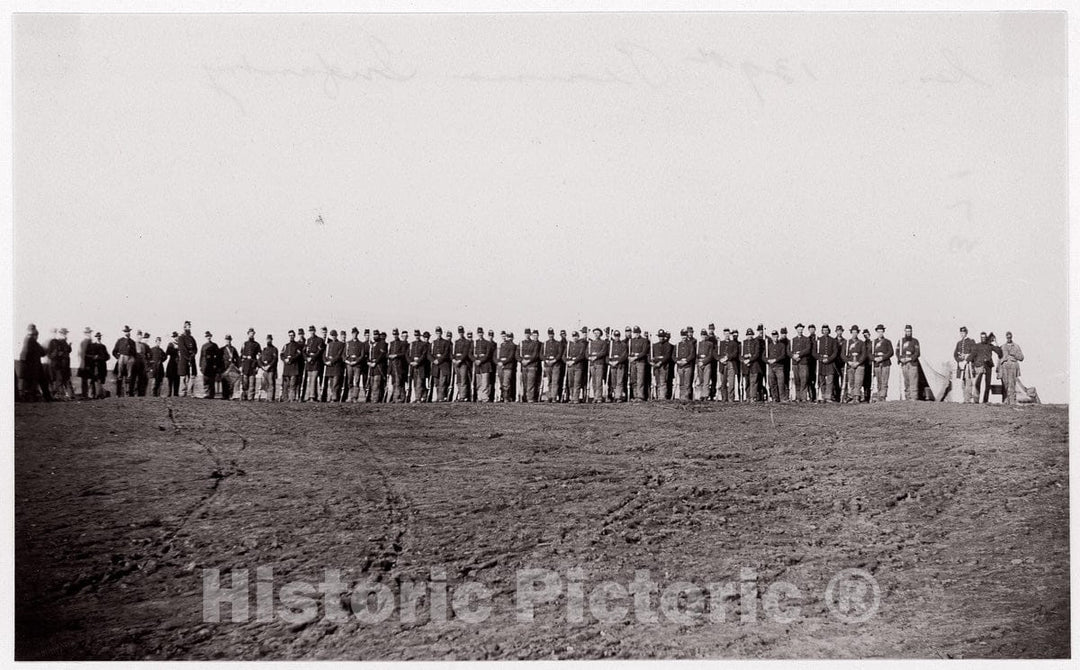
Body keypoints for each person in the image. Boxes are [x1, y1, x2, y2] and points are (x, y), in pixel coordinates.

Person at [19, 324, 49, 402]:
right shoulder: (31, 341)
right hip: (33, 365)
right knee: (37, 382)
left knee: (33, 382)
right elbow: (42, 353)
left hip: (32, 365)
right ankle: (44, 397)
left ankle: (31, 397)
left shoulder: (28, 340)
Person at [47, 327, 75, 400]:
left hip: (63, 365)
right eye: (64, 333)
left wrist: (69, 346)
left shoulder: (62, 341)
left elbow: (67, 350)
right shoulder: (58, 342)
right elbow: (53, 354)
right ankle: (64, 395)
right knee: (61, 380)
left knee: (63, 380)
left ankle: (67, 395)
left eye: (65, 333)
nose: (65, 334)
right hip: (61, 365)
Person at [814, 324, 839, 403]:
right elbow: (814, 352)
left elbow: (835, 352)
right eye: (824, 330)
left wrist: (829, 359)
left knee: (830, 380)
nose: (825, 332)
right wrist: (821, 359)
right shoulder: (818, 340)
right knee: (821, 380)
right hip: (821, 363)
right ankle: (823, 396)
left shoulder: (833, 340)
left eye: (826, 330)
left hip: (830, 362)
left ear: (829, 331)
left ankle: (828, 397)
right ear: (822, 331)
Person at [844, 325, 869, 403]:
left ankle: (857, 397)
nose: (854, 334)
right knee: (851, 381)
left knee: (858, 381)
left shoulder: (861, 343)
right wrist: (848, 362)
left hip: (859, 365)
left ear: (858, 333)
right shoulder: (847, 343)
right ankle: (851, 397)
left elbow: (864, 354)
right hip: (850, 364)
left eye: (856, 332)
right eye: (853, 332)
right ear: (851, 333)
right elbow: (842, 354)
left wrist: (858, 362)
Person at [999, 331, 1025, 405]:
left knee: (1012, 383)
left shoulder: (1016, 346)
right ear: (1006, 337)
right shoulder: (1002, 346)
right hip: (1004, 366)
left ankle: (1012, 401)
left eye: (1010, 337)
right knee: (1005, 383)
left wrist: (1015, 354)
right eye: (1007, 337)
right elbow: (999, 359)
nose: (1009, 338)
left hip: (1013, 366)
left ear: (1012, 337)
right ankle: (1006, 400)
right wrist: (998, 371)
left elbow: (1021, 358)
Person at [971, 331, 997, 404]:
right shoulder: (977, 346)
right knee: (977, 383)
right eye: (981, 337)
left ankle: (985, 400)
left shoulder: (990, 345)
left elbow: (999, 352)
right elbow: (973, 356)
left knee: (987, 384)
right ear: (980, 338)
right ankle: (976, 400)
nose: (983, 339)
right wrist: (973, 366)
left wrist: (995, 343)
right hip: (980, 365)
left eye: (984, 337)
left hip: (988, 365)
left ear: (986, 338)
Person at [953, 326, 977, 403]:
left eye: (963, 332)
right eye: (961, 332)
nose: (962, 334)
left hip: (968, 364)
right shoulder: (959, 343)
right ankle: (964, 398)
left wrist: (966, 360)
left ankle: (967, 399)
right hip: (961, 365)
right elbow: (955, 355)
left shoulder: (971, 341)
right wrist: (959, 361)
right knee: (962, 382)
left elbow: (973, 352)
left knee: (968, 381)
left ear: (966, 333)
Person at [897, 325, 921, 401]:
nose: (908, 333)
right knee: (906, 381)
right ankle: (907, 397)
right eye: (907, 331)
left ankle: (913, 397)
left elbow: (917, 353)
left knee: (913, 380)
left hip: (912, 363)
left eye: (909, 331)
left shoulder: (915, 341)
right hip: (904, 364)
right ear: (905, 331)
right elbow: (897, 352)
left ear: (911, 332)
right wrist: (900, 359)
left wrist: (910, 358)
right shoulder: (901, 341)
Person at [870, 324, 894, 402]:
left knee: (884, 380)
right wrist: (874, 358)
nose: (880, 333)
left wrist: (882, 358)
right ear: (876, 332)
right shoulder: (873, 342)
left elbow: (891, 352)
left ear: (883, 332)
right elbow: (869, 353)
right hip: (877, 363)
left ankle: (883, 396)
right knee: (879, 380)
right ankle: (879, 395)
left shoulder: (887, 341)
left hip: (885, 363)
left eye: (881, 331)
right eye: (878, 331)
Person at [112, 326, 137, 398]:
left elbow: (134, 353)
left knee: (129, 376)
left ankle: (127, 393)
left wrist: (132, 359)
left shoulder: (132, 342)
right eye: (126, 332)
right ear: (124, 332)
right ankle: (118, 393)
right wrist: (119, 357)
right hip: (122, 358)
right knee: (119, 376)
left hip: (130, 359)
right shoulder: (120, 341)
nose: (127, 333)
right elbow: (114, 351)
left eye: (128, 331)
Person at [541, 328, 565, 402]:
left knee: (555, 380)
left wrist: (554, 360)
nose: (550, 336)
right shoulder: (545, 344)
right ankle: (550, 396)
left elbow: (560, 353)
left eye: (552, 334)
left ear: (553, 334)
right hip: (547, 365)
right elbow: (541, 354)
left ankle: (554, 396)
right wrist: (546, 360)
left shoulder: (558, 343)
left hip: (556, 365)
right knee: (549, 381)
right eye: (549, 334)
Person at [789, 324, 812, 402]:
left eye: (801, 329)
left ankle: (803, 397)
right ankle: (798, 397)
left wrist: (799, 355)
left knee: (804, 379)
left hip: (803, 362)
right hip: (795, 363)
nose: (800, 331)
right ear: (796, 330)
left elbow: (808, 349)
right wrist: (793, 356)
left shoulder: (806, 339)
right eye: (798, 329)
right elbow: (788, 351)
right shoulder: (793, 340)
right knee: (797, 380)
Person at [648, 330, 673, 400]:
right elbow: (650, 355)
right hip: (655, 366)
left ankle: (662, 397)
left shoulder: (668, 345)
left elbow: (667, 356)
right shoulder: (654, 345)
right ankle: (658, 396)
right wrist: (651, 362)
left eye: (662, 336)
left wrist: (660, 362)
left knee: (663, 381)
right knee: (657, 381)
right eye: (660, 336)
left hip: (663, 366)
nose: (661, 338)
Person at [472, 328, 496, 403]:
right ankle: (479, 397)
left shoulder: (487, 343)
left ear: (483, 333)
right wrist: (475, 360)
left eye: (481, 333)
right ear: (477, 334)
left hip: (485, 365)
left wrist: (481, 360)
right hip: (477, 365)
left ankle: (485, 397)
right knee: (479, 382)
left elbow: (488, 354)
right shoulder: (475, 343)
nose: (480, 334)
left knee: (485, 382)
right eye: (479, 333)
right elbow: (470, 353)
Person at [345, 328, 368, 403]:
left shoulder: (361, 344)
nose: (354, 335)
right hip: (349, 364)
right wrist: (347, 361)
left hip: (357, 365)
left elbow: (362, 355)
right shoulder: (348, 343)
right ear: (352, 334)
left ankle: (355, 397)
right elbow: (344, 354)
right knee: (349, 381)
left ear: (358, 334)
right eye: (353, 333)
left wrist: (356, 361)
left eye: (356, 333)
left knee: (357, 381)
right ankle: (351, 396)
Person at [429, 327, 453, 402]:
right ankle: (439, 397)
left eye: (439, 333)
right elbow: (429, 354)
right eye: (437, 333)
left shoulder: (446, 342)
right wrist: (433, 360)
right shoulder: (433, 343)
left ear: (441, 333)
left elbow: (446, 353)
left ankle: (441, 397)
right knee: (436, 382)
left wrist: (439, 360)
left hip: (443, 364)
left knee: (443, 382)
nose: (438, 334)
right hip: (435, 365)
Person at [764, 329, 788, 403]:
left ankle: (782, 398)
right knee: (772, 383)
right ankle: (775, 398)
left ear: (778, 336)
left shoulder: (782, 345)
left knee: (781, 383)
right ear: (772, 337)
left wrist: (775, 360)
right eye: (773, 336)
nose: (775, 338)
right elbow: (763, 356)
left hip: (779, 366)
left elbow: (783, 355)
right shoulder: (769, 346)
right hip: (771, 367)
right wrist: (767, 360)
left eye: (776, 336)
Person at [564, 329, 587, 403]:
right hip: (570, 366)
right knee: (571, 383)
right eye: (573, 336)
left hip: (578, 366)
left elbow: (582, 355)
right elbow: (564, 356)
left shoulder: (581, 345)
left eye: (576, 336)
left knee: (577, 382)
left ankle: (576, 398)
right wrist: (567, 361)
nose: (575, 338)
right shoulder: (569, 345)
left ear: (578, 337)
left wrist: (573, 361)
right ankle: (572, 398)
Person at [239, 328, 262, 401]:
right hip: (245, 366)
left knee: (252, 383)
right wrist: (241, 366)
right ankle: (244, 396)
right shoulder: (244, 344)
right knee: (245, 383)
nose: (251, 335)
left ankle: (250, 398)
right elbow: (241, 356)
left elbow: (259, 357)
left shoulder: (257, 345)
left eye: (253, 333)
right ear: (248, 334)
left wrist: (258, 366)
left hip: (253, 366)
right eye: (250, 333)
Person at [740, 328, 762, 402]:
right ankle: (748, 396)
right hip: (745, 365)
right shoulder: (743, 343)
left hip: (754, 365)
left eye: (751, 334)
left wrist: (750, 359)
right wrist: (744, 360)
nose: (749, 336)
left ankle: (753, 397)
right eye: (748, 335)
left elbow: (757, 354)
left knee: (754, 381)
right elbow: (740, 354)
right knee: (747, 382)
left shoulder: (756, 342)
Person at [304, 325, 326, 402]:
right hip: (309, 363)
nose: (312, 332)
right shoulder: (308, 340)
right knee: (310, 380)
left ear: (315, 331)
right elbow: (304, 351)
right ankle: (312, 395)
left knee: (314, 379)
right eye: (310, 331)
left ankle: (312, 396)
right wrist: (307, 358)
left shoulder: (319, 340)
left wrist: (312, 358)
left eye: (313, 331)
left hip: (316, 362)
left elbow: (319, 351)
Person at [279, 330, 303, 401]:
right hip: (286, 368)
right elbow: (281, 355)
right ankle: (285, 398)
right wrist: (285, 359)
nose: (291, 337)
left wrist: (291, 359)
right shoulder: (286, 346)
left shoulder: (298, 345)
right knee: (286, 385)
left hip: (294, 368)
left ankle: (292, 398)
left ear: (294, 336)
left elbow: (298, 354)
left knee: (293, 384)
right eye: (290, 335)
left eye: (292, 335)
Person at [607, 329, 630, 403]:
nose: (616, 337)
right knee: (613, 381)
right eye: (615, 336)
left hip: (620, 365)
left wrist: (617, 361)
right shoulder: (611, 345)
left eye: (618, 336)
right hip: (612, 365)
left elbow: (624, 355)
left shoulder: (623, 345)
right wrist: (609, 362)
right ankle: (615, 395)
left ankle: (618, 396)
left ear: (619, 336)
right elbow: (607, 355)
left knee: (619, 381)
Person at [407, 330, 430, 403]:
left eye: (418, 335)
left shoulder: (423, 344)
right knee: (415, 382)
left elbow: (424, 354)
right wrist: (410, 362)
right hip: (413, 366)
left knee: (420, 382)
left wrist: (417, 362)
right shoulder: (412, 344)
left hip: (421, 366)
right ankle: (420, 397)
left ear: (420, 335)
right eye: (415, 335)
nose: (417, 336)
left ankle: (418, 398)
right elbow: (407, 354)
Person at [715, 328, 738, 402]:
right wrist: (720, 359)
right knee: (723, 382)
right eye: (725, 334)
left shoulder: (733, 343)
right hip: (722, 364)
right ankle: (724, 398)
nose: (727, 335)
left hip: (731, 364)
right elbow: (715, 353)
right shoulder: (720, 343)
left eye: (728, 334)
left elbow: (735, 353)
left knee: (731, 382)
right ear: (723, 334)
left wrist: (728, 357)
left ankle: (731, 398)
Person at [367, 330, 389, 402]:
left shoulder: (382, 343)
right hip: (372, 367)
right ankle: (372, 398)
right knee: (372, 383)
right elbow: (369, 355)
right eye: (374, 335)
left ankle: (375, 399)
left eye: (376, 335)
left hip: (379, 367)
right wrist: (369, 362)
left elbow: (382, 354)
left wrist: (375, 362)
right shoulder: (372, 344)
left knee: (377, 383)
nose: (375, 336)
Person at [451, 326, 472, 402]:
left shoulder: (467, 342)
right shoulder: (456, 342)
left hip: (463, 363)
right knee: (458, 380)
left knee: (463, 380)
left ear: (464, 332)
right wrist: (453, 359)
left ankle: (463, 396)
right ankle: (460, 395)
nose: (461, 333)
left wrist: (460, 360)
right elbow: (453, 352)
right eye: (459, 332)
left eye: (462, 332)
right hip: (456, 363)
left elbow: (465, 352)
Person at [177, 321, 198, 397]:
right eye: (187, 326)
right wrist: (188, 358)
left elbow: (195, 348)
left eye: (189, 326)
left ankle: (190, 392)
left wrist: (192, 355)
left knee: (192, 376)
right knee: (183, 376)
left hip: (192, 359)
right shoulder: (181, 338)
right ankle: (182, 392)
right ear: (184, 327)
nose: (188, 328)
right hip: (184, 360)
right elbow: (182, 349)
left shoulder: (192, 338)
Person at [387, 328, 408, 403]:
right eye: (394, 334)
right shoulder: (392, 343)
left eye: (396, 334)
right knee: (394, 382)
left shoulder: (402, 343)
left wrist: (396, 355)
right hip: (392, 365)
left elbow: (404, 353)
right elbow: (388, 353)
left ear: (398, 334)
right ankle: (399, 397)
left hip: (399, 365)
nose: (395, 335)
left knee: (399, 381)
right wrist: (389, 356)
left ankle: (397, 398)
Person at [87, 331, 110, 399]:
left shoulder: (103, 346)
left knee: (99, 379)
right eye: (97, 336)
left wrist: (102, 358)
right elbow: (88, 355)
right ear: (95, 337)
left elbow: (107, 356)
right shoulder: (92, 346)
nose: (98, 337)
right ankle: (92, 395)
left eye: (99, 336)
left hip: (102, 365)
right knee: (93, 379)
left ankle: (98, 394)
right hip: (94, 365)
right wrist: (94, 357)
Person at [675, 329, 696, 401]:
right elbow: (674, 355)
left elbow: (692, 354)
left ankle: (686, 397)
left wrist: (686, 360)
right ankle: (681, 397)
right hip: (680, 366)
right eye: (682, 335)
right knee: (681, 382)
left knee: (687, 382)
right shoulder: (678, 345)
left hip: (687, 366)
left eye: (684, 335)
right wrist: (677, 361)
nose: (683, 337)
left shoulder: (690, 344)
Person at [198, 331, 221, 399]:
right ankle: (206, 393)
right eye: (207, 336)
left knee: (212, 380)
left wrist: (216, 364)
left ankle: (211, 394)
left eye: (209, 336)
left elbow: (218, 356)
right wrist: (200, 365)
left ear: (211, 337)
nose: (208, 337)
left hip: (212, 364)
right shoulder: (203, 346)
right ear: (205, 337)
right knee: (205, 380)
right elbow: (201, 356)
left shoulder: (214, 345)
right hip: (205, 364)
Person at [694, 328, 715, 401]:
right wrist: (698, 362)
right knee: (701, 380)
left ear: (706, 336)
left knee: (706, 379)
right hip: (699, 363)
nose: (703, 336)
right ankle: (700, 395)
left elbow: (710, 355)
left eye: (705, 335)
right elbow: (695, 355)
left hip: (707, 363)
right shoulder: (698, 344)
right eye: (702, 335)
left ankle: (705, 395)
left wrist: (704, 362)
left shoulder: (710, 344)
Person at [219, 335, 241, 400]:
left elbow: (237, 358)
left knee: (231, 382)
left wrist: (238, 366)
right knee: (224, 382)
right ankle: (224, 396)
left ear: (231, 340)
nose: (228, 341)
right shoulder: (222, 349)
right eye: (227, 340)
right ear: (225, 340)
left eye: (229, 340)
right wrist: (219, 368)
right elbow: (218, 359)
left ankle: (230, 395)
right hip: (224, 367)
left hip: (231, 367)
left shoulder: (233, 349)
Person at [258, 333, 279, 401]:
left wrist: (269, 366)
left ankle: (270, 398)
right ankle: (266, 397)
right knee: (265, 384)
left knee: (271, 383)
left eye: (270, 339)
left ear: (272, 340)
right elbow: (259, 359)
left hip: (271, 370)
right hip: (264, 370)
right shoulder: (264, 350)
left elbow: (275, 359)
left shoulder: (274, 349)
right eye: (267, 339)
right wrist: (262, 366)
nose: (268, 341)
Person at [77, 327, 93, 399]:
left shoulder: (88, 341)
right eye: (88, 333)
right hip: (86, 364)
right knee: (85, 380)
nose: (89, 334)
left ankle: (86, 394)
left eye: (90, 332)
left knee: (86, 379)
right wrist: (86, 364)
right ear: (85, 334)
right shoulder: (86, 342)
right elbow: (82, 354)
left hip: (86, 363)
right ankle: (85, 394)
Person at [165, 332, 181, 397]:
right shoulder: (170, 344)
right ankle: (169, 393)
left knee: (177, 379)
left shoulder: (180, 344)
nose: (175, 338)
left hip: (178, 364)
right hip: (171, 363)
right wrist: (175, 349)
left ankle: (176, 393)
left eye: (176, 336)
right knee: (170, 379)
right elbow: (167, 353)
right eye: (174, 337)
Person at [805, 324, 818, 401]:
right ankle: (811, 396)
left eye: (813, 329)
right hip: (809, 361)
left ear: (815, 329)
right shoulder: (807, 339)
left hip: (816, 361)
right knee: (809, 379)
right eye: (810, 329)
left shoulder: (818, 339)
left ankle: (817, 395)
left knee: (816, 378)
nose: (812, 330)